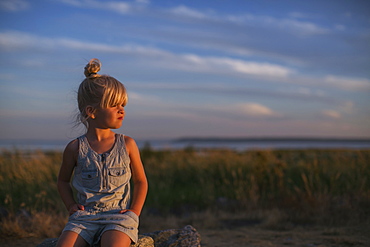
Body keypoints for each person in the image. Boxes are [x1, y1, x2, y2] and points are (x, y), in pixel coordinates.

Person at [56, 58, 148, 247]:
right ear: (92, 111)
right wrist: (71, 206)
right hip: (83, 219)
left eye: (123, 105)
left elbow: (141, 181)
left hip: (118, 217)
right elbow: (62, 181)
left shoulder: (127, 144)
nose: (121, 110)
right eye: (114, 105)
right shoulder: (75, 148)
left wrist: (134, 212)